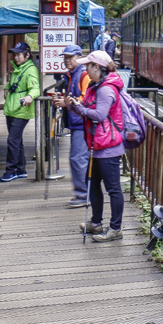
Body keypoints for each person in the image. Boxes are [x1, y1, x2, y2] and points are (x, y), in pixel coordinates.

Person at [58, 50, 126, 242]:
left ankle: (115, 229)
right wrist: (72, 105)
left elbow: (99, 115)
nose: (85, 69)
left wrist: (77, 107)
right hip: (97, 144)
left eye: (88, 66)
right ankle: (96, 223)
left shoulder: (106, 89)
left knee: (113, 188)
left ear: (97, 67)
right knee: (93, 184)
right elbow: (88, 111)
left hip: (109, 147)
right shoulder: (96, 86)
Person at [54, 45, 91, 207]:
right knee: (80, 158)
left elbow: (85, 100)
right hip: (77, 122)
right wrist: (62, 98)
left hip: (82, 123)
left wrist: (66, 104)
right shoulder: (72, 75)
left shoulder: (83, 74)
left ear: (79, 57)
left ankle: (83, 195)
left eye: (70, 57)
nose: (67, 60)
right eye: (65, 57)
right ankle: (84, 193)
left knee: (78, 159)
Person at [0, 41, 40, 182]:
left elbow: (35, 88)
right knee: (16, 140)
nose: (16, 57)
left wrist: (30, 96)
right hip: (12, 108)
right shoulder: (19, 67)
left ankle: (11, 170)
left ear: (27, 55)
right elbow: (13, 83)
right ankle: (21, 169)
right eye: (15, 54)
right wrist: (7, 86)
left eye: (19, 54)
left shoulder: (30, 70)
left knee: (12, 140)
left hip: (21, 109)